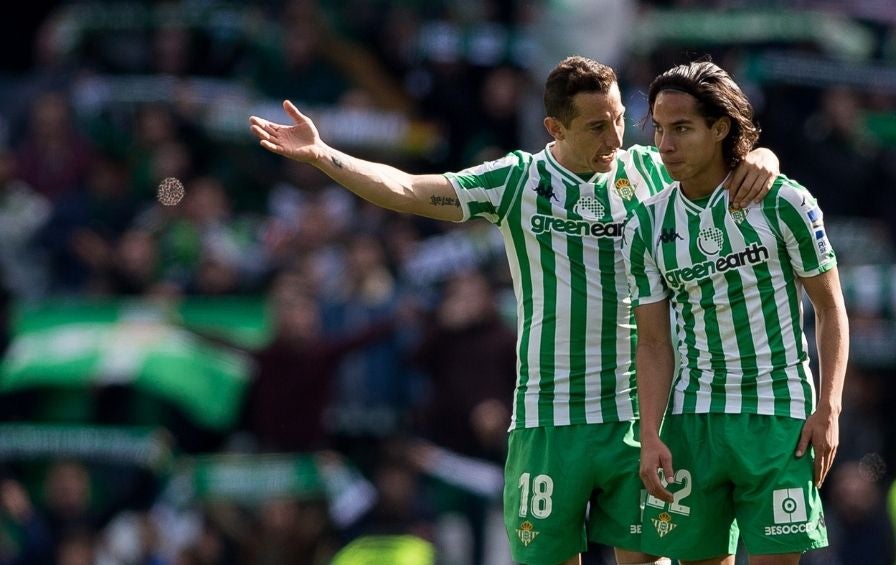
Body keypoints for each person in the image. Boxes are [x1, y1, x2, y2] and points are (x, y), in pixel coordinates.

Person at [249, 55, 779, 565]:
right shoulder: (517, 182)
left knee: (650, 558)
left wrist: (762, 158)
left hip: (636, 419)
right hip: (547, 418)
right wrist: (324, 154)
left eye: (619, 118)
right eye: (597, 126)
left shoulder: (648, 172)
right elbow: (409, 189)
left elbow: (724, 168)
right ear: (555, 127)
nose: (615, 138)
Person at [622, 60, 848, 564]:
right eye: (659, 129)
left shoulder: (784, 202)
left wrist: (828, 409)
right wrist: (652, 433)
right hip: (692, 421)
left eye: (681, 129)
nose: (665, 145)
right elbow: (654, 342)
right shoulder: (646, 225)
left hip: (778, 421)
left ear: (720, 128)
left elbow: (831, 308)